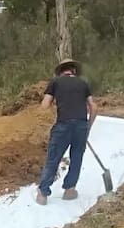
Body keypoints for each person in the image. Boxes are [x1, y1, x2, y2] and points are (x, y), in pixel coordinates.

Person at [36, 59, 97, 205]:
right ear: (74, 70)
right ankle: (70, 190)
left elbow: (44, 106)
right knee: (76, 158)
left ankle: (43, 194)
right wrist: (87, 127)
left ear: (61, 71)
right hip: (81, 126)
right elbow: (94, 107)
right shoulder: (83, 83)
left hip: (62, 125)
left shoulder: (55, 82)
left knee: (53, 158)